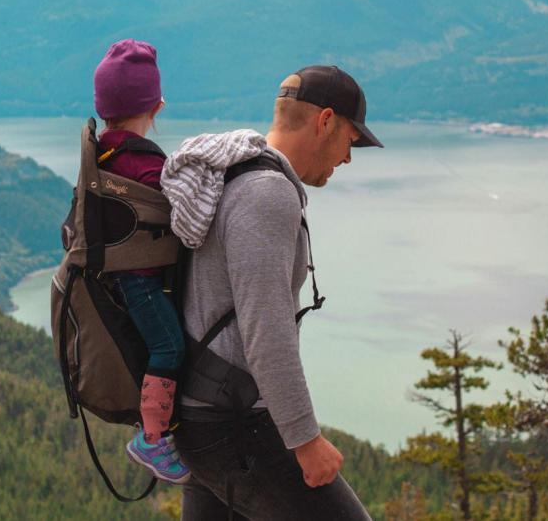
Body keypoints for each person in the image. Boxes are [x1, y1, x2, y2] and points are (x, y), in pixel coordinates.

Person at [163, 65, 383, 520]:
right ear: (324, 121)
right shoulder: (267, 193)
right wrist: (305, 441)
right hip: (236, 426)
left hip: (202, 415)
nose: (347, 158)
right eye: (350, 140)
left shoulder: (229, 174)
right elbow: (267, 330)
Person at [92, 39, 191, 484]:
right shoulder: (145, 165)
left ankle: (157, 426)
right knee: (169, 347)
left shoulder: (104, 152)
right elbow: (183, 213)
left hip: (119, 276)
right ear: (156, 105)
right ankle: (152, 439)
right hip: (143, 281)